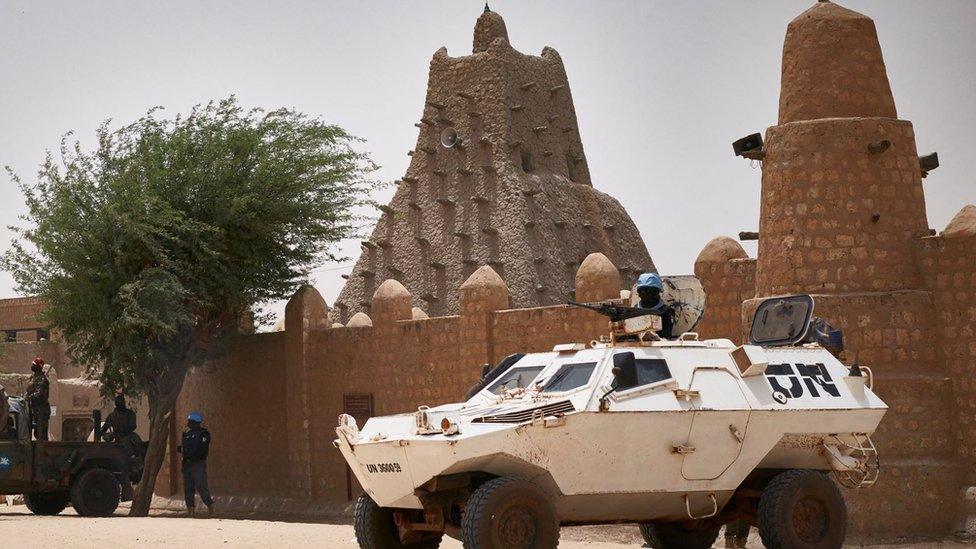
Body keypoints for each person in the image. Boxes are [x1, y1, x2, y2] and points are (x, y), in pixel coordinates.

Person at [179, 412, 214, 517]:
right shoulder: (186, 434)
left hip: (198, 463)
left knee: (201, 485)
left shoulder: (204, 434)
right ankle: (190, 509)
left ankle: (210, 506)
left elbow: (202, 448)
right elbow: (184, 449)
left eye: (190, 421)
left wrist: (193, 456)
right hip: (187, 464)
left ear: (196, 422)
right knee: (188, 487)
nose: (188, 423)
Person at [635, 273, 676, 338]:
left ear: (658, 292)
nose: (648, 294)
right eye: (644, 291)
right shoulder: (634, 311)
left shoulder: (666, 312)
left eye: (652, 291)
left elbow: (666, 335)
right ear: (639, 293)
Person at [26, 357, 51, 441]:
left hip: (41, 410)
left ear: (38, 367)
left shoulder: (42, 379)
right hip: (33, 409)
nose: (32, 365)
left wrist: (28, 398)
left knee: (41, 435)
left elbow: (38, 395)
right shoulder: (33, 378)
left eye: (34, 364)